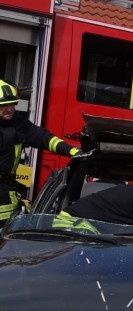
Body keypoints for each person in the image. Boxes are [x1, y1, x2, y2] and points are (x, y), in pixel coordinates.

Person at [0, 79, 79, 226]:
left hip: (7, 194)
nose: (9, 109)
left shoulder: (17, 123)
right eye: (4, 106)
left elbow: (43, 137)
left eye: (12, 104)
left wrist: (72, 151)